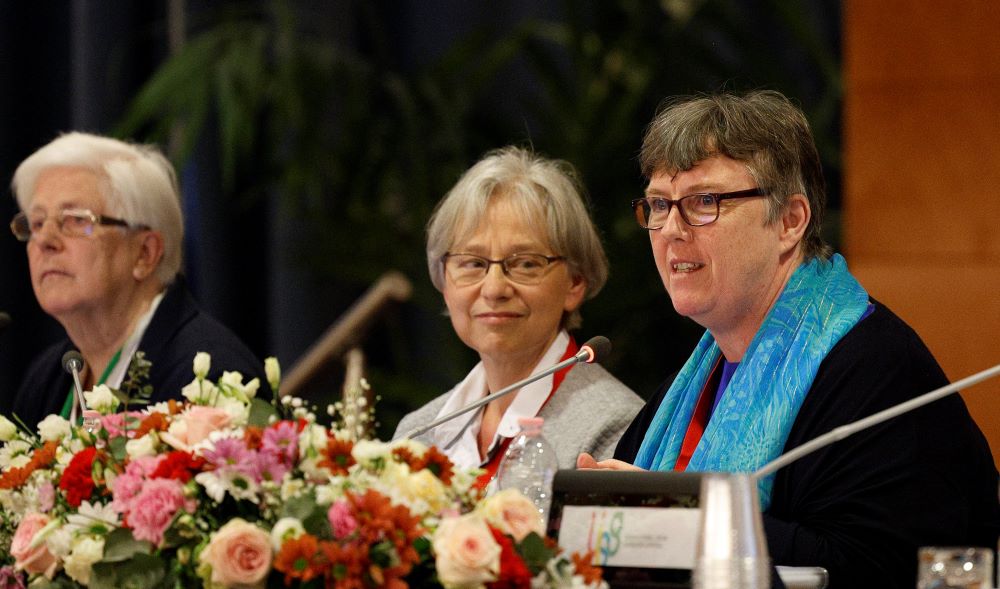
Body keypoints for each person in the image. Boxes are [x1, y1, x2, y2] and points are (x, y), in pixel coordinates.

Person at [578, 91, 999, 588]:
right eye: (659, 205)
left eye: (703, 203)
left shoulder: (875, 367)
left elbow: (875, 567)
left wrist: (683, 516)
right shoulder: (696, 376)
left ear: (790, 221)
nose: (670, 228)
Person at [393, 146, 643, 483]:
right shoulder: (417, 434)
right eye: (472, 263)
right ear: (443, 281)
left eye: (525, 263)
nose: (494, 289)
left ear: (575, 283)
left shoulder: (614, 425)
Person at [7, 132, 268, 428]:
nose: (45, 241)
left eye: (76, 220)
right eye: (37, 223)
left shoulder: (211, 380)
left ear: (145, 253)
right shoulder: (46, 380)